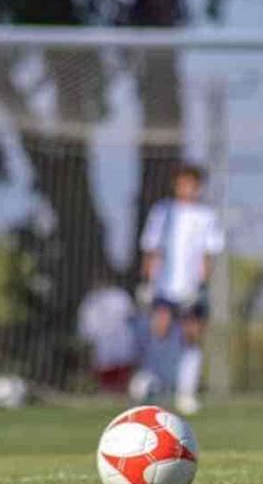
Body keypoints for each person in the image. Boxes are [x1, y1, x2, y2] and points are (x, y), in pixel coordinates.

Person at [137, 163, 225, 415]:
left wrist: (201, 285)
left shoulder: (206, 216)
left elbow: (209, 254)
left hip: (191, 288)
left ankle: (187, 392)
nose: (187, 188)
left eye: (192, 184)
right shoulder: (162, 212)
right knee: (160, 330)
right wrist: (147, 282)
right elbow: (152, 249)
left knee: (192, 335)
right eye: (183, 183)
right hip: (165, 286)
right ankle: (154, 384)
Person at [76, 281, 138, 393]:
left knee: (122, 388)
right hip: (103, 353)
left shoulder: (120, 295)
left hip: (122, 351)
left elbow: (132, 319)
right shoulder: (90, 300)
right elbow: (86, 330)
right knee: (106, 389)